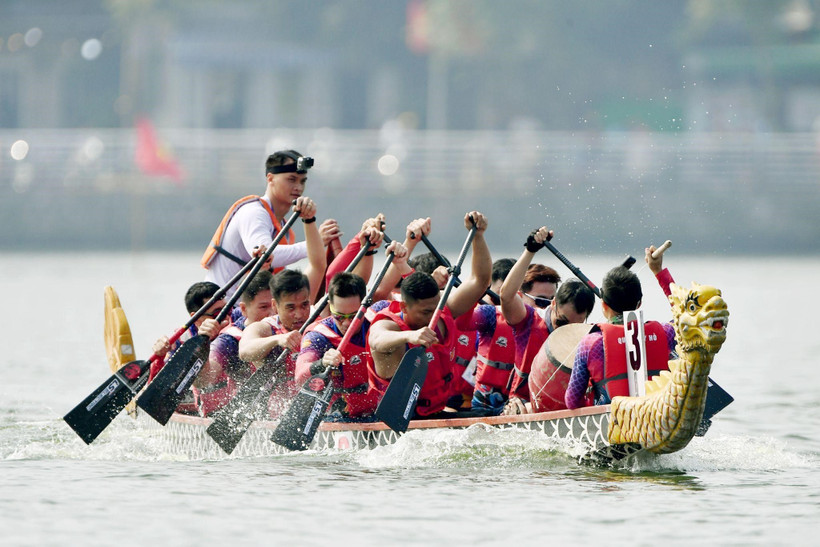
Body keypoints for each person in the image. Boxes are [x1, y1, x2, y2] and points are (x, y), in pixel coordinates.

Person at [366, 211, 492, 419]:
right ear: (404, 307)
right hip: (395, 419)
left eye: (436, 308)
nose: (434, 316)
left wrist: (478, 236)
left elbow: (480, 281)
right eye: (426, 312)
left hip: (436, 413)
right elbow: (377, 340)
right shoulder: (390, 324)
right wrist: (409, 337)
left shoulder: (443, 311)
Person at [293, 241, 408, 421]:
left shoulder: (378, 314)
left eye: (353, 316)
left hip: (381, 410)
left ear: (365, 304)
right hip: (339, 416)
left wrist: (403, 264)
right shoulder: (318, 336)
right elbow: (299, 376)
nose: (346, 324)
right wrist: (322, 363)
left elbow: (419, 308)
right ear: (329, 306)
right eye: (339, 316)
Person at [201, 149, 334, 296]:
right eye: (291, 179)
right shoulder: (254, 212)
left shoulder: (284, 228)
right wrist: (313, 243)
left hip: (251, 309)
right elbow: (266, 254)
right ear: (270, 179)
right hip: (224, 308)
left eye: (302, 181)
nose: (299, 187)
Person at [499, 226, 595, 414]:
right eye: (561, 322)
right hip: (521, 408)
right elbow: (506, 296)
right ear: (553, 305)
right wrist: (530, 251)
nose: (564, 332)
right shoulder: (528, 321)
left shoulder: (591, 337)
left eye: (574, 326)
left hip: (565, 410)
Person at [564, 264, 676, 409]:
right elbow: (684, 314)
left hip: (613, 422)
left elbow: (572, 401)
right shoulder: (666, 332)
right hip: (658, 416)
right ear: (640, 303)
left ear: (603, 304)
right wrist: (658, 271)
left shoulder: (590, 343)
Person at [189, 270, 274, 417]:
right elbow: (203, 381)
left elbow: (317, 268)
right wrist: (202, 345)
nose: (272, 313)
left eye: (275, 305)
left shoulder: (293, 324)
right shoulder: (229, 340)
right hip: (244, 416)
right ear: (243, 309)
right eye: (264, 307)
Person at [238, 269, 313, 416]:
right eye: (290, 307)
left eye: (304, 305)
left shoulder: (319, 323)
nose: (299, 314)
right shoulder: (265, 328)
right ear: (275, 305)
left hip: (313, 411)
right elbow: (244, 352)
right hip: (275, 414)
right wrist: (278, 339)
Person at [150, 281, 227, 414]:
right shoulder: (182, 340)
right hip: (197, 401)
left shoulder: (235, 325)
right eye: (217, 314)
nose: (227, 317)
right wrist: (160, 358)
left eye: (228, 309)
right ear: (196, 318)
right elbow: (159, 389)